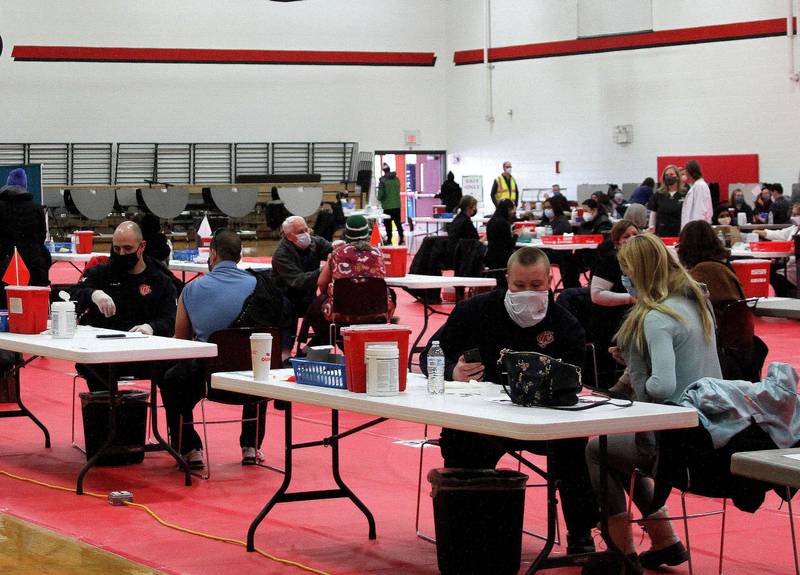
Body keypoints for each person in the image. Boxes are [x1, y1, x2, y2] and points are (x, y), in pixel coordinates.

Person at [421, 247, 599, 555]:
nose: (527, 293)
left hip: (545, 421)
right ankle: (465, 527)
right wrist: (453, 371)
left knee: (575, 447)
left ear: (549, 281)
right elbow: (428, 356)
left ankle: (581, 532)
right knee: (458, 441)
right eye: (519, 286)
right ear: (507, 280)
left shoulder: (566, 325)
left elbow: (576, 382)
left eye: (536, 286)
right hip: (483, 421)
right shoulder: (475, 311)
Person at [583, 233, 721, 574]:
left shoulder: (656, 317)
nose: (624, 280)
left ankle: (622, 551)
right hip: (708, 429)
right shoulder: (696, 302)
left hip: (674, 442)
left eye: (627, 272)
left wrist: (635, 364)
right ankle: (665, 541)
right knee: (618, 452)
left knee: (595, 449)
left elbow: (661, 387)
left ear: (640, 273)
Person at [160, 230, 281, 468]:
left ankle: (190, 448)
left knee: (170, 379)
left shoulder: (192, 290)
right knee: (256, 360)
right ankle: (251, 446)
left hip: (209, 381)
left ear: (212, 254)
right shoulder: (262, 285)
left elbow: (182, 340)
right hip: (254, 383)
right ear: (240, 255)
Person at [70, 221, 177, 392]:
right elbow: (72, 294)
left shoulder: (160, 280)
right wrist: (93, 294)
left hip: (145, 354)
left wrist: (151, 327)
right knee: (93, 368)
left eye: (127, 249)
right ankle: (105, 412)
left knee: (176, 373)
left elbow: (171, 319)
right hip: (104, 354)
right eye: (117, 248)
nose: (121, 253)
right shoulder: (101, 273)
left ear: (141, 246)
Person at [589, 220, 638, 388]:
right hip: (610, 318)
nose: (631, 239)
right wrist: (629, 298)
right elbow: (596, 295)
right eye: (626, 236)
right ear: (617, 241)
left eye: (635, 235)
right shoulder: (610, 260)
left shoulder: (640, 260)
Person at [272, 216, 334, 347]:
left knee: (330, 314)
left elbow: (332, 251)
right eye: (300, 232)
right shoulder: (281, 254)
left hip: (309, 297)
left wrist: (337, 251)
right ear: (289, 236)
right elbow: (298, 281)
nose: (306, 234)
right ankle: (285, 353)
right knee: (286, 309)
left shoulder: (315, 243)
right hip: (287, 298)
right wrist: (324, 269)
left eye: (307, 230)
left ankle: (310, 349)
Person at [0, 168, 51, 306]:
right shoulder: (37, 209)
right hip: (33, 265)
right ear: (25, 186)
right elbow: (41, 237)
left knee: (7, 305)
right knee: (33, 305)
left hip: (5, 263)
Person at [756, 202, 800, 297]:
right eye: (792, 214)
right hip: (788, 265)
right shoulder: (794, 228)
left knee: (775, 276)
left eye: (796, 214)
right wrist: (758, 231)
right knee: (769, 269)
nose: (793, 217)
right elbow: (777, 234)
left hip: (795, 269)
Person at [647, 164, 685, 237]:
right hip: (662, 232)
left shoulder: (684, 194)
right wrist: (651, 229)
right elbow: (653, 214)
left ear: (677, 176)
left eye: (671, 174)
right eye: (666, 175)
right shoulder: (658, 194)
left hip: (679, 232)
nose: (669, 177)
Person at [484, 198, 517, 272]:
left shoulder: (491, 221)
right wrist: (516, 235)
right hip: (502, 259)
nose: (512, 213)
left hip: (490, 257)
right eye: (512, 210)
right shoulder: (504, 223)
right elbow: (510, 244)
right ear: (508, 209)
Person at [445, 195, 479, 265]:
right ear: (468, 208)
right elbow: (475, 241)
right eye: (474, 207)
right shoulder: (466, 222)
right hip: (462, 255)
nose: (475, 209)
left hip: (453, 253)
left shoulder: (457, 219)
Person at [680, 160, 713, 229]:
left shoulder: (700, 186)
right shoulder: (696, 186)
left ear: (689, 172)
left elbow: (700, 210)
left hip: (696, 229)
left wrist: (696, 229)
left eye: (685, 171)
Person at [377, 164, 404, 245]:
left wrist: (379, 197)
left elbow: (380, 196)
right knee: (398, 223)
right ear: (389, 169)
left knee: (388, 224)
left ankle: (389, 240)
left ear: (383, 171)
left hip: (387, 206)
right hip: (397, 205)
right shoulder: (397, 179)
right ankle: (401, 238)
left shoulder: (383, 181)